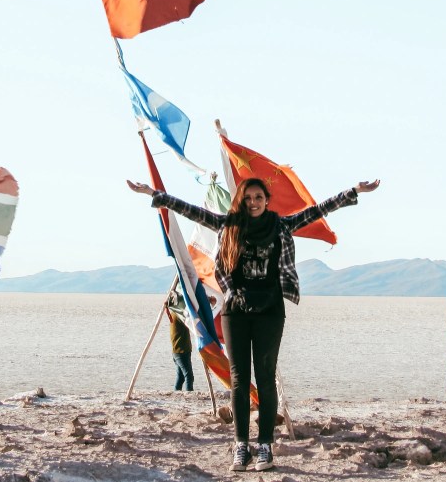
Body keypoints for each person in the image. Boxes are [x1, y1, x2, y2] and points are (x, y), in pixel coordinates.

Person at [127, 175, 380, 472]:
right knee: (238, 379)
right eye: (248, 198)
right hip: (236, 310)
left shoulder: (280, 225)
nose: (253, 203)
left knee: (265, 376)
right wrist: (155, 194)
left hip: (270, 310)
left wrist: (352, 191)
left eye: (258, 197)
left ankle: (265, 448)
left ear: (266, 200)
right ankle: (241, 446)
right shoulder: (229, 224)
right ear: (241, 201)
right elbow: (190, 210)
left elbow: (317, 211)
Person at [166, 291, 195, 392]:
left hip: (180, 350)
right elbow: (190, 318)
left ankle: (176, 393)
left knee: (181, 377)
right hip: (181, 351)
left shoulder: (175, 314)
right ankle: (189, 394)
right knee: (189, 376)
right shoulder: (178, 315)